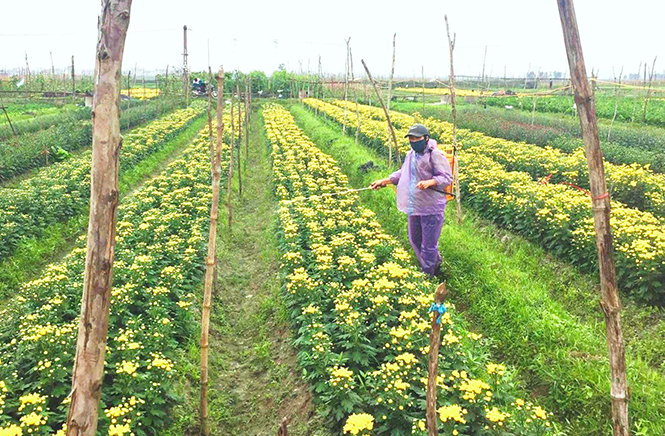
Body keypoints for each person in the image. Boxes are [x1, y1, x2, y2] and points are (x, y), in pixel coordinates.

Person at [370, 124, 453, 277]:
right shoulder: (411, 154)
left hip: (431, 206)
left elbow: (446, 177)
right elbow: (404, 173)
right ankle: (436, 265)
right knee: (414, 238)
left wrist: (430, 182)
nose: (413, 141)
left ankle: (427, 276)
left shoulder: (435, 155)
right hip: (415, 204)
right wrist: (385, 181)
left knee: (428, 245)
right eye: (411, 138)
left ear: (426, 138)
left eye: (417, 138)